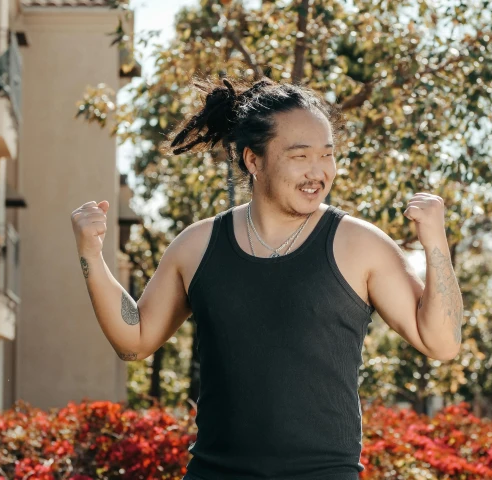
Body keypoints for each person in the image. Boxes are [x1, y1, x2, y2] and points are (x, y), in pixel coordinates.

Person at [70, 76, 464, 480]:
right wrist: (91, 256)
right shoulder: (197, 246)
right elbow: (134, 342)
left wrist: (435, 240)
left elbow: (442, 342)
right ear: (252, 160)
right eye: (300, 156)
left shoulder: (359, 245)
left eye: (327, 155)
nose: (318, 172)